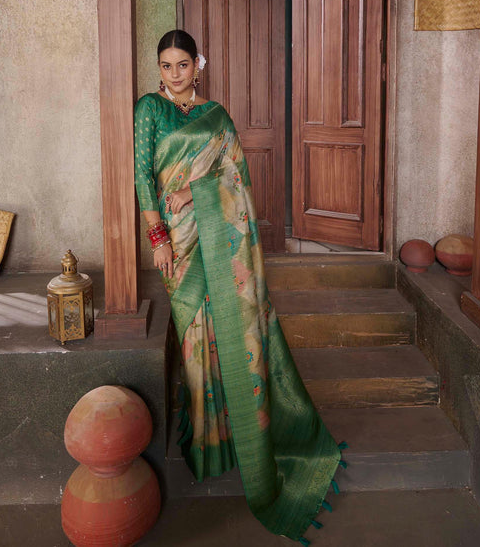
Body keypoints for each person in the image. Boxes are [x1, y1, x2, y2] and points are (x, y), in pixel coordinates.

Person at [134, 29, 348, 545]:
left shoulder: (218, 117)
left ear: (197, 66)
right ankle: (211, 442)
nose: (174, 74)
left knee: (232, 329)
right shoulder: (149, 110)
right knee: (193, 338)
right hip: (180, 245)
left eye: (182, 65)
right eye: (166, 66)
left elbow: (236, 176)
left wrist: (194, 187)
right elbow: (142, 176)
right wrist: (158, 236)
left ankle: (243, 437)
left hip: (218, 239)